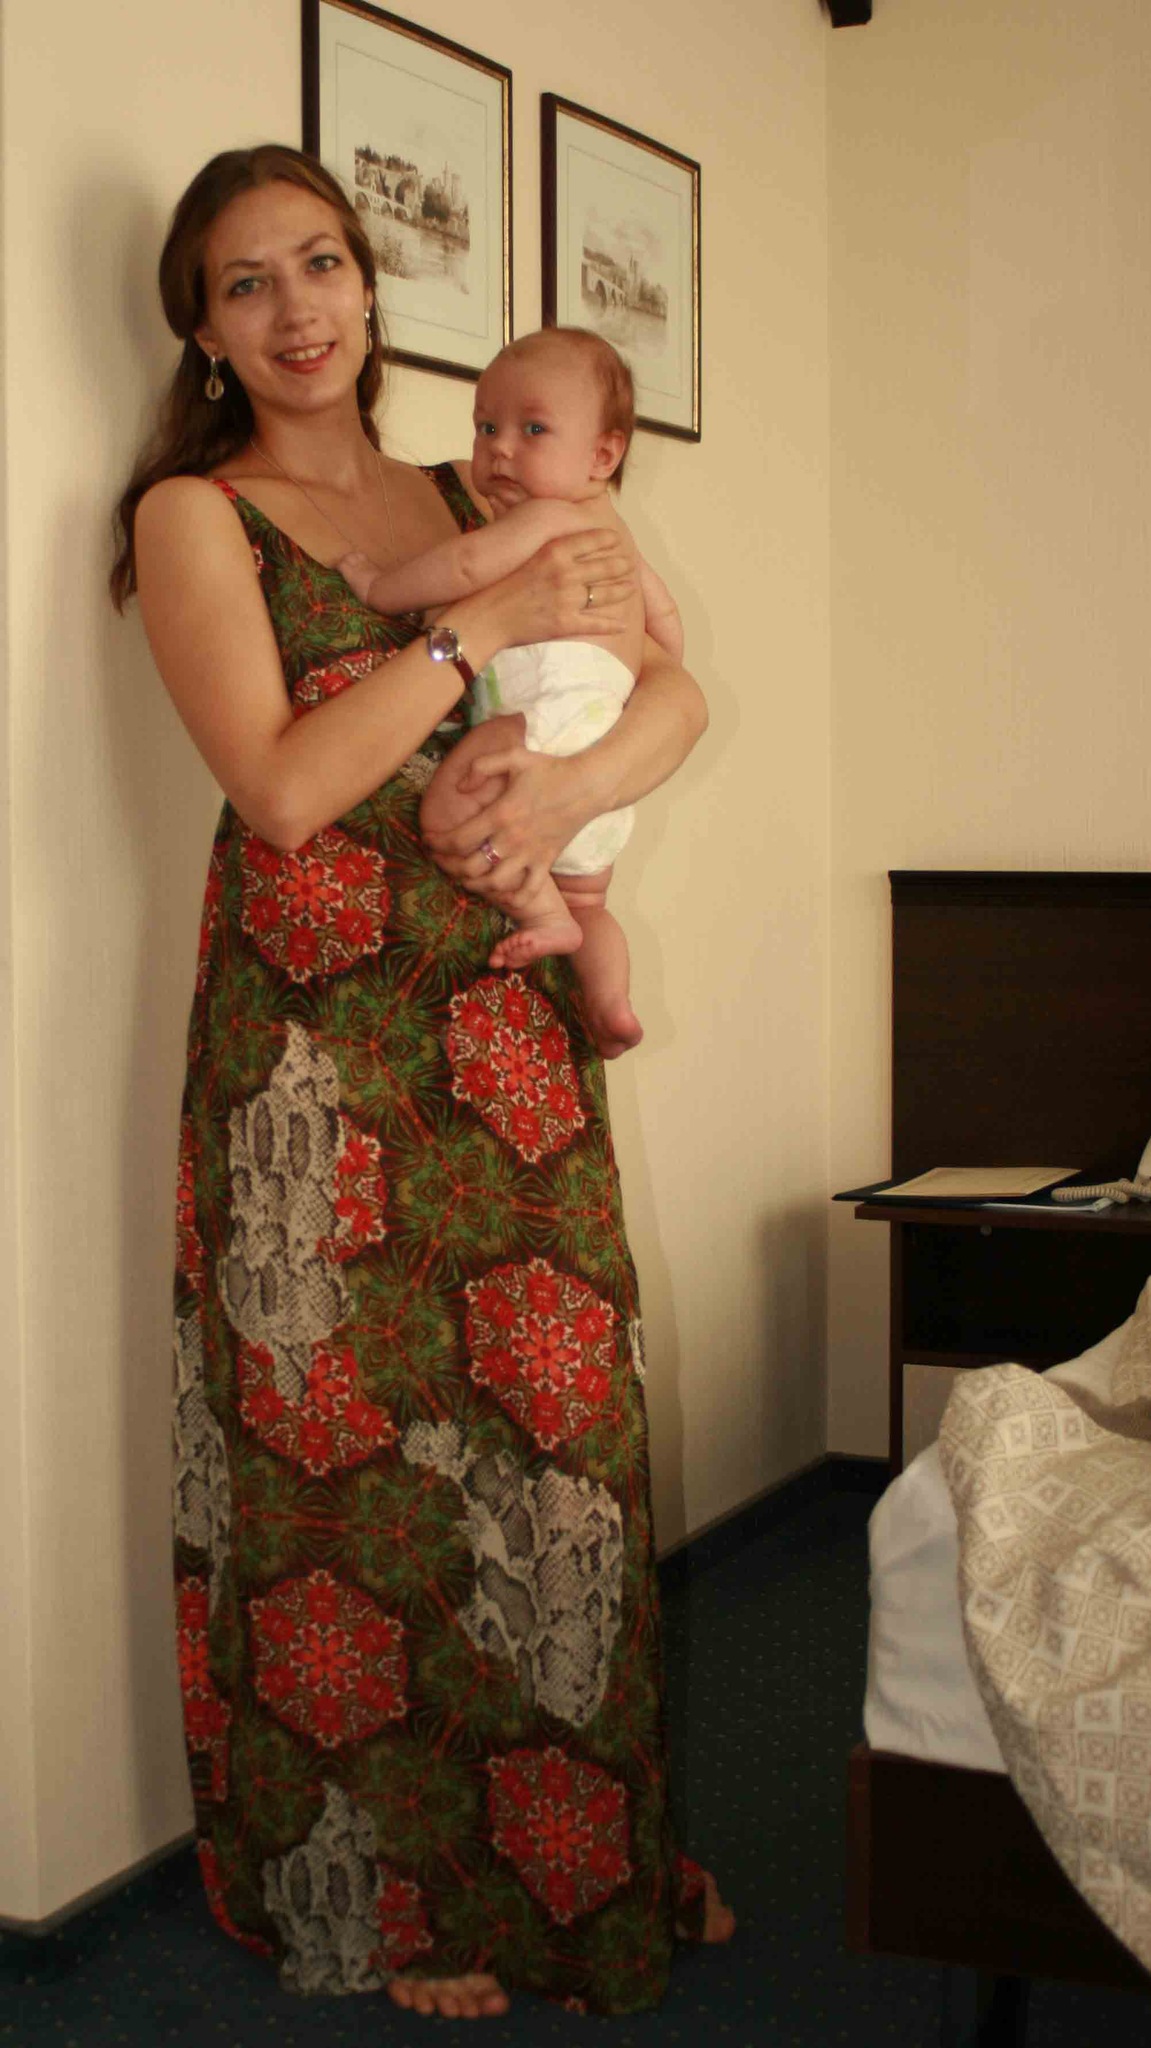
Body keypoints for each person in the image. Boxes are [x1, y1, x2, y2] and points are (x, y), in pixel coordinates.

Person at [111, 144, 731, 2022]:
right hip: (309, 1067)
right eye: (245, 283)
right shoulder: (194, 516)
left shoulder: (490, 481)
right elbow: (284, 786)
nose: (296, 307)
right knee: (343, 1489)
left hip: (502, 1026)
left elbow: (673, 688)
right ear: (204, 331)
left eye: (320, 261)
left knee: (553, 1460)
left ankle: (574, 1854)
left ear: (370, 284)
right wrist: (464, 634)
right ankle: (394, 1900)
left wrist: (569, 789)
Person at [339, 325, 681, 1062]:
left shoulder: (545, 520)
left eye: (533, 430)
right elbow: (667, 628)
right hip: (604, 753)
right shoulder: (617, 538)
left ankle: (544, 914)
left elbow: (464, 568)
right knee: (594, 900)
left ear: (603, 455)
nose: (499, 449)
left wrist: (379, 587)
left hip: (546, 724)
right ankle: (612, 1001)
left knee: (452, 801)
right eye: (486, 426)